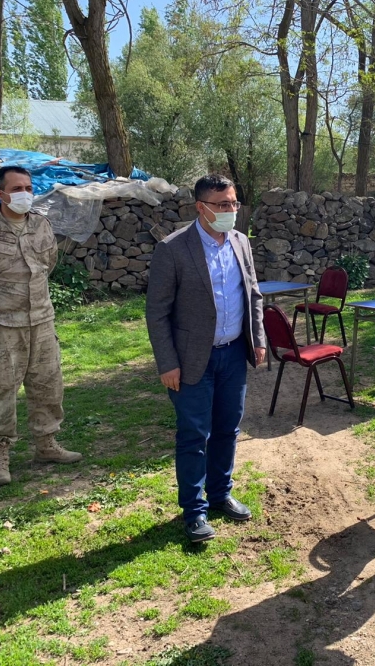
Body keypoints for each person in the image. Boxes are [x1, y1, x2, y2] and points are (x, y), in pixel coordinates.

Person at [146, 174, 266, 544]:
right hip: (191, 361)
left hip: (233, 355)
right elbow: (157, 312)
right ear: (201, 207)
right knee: (195, 434)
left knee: (228, 429)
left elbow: (253, 294)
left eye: (234, 203)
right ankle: (194, 511)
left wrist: (258, 338)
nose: (231, 210)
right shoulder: (173, 249)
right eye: (222, 204)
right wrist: (167, 363)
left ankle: (220, 494)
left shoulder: (241, 242)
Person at [0, 166, 81, 488]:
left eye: (28, 188)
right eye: (17, 188)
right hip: (0, 323)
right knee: (3, 389)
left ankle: (46, 444)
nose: (25, 193)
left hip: (41, 320)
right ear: (1, 194)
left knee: (48, 385)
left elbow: (47, 264)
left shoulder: (41, 225)